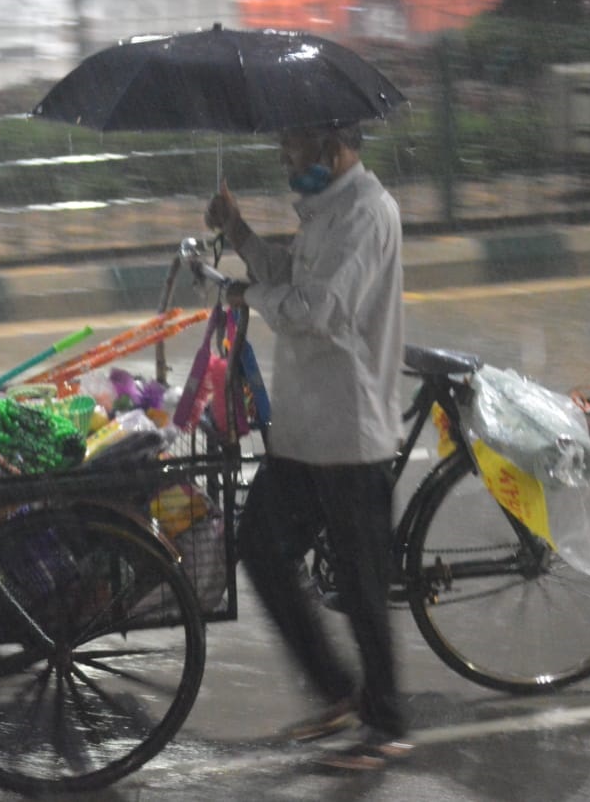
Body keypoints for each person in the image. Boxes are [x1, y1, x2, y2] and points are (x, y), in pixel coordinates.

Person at [204, 122, 412, 771]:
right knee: (260, 550)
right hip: (303, 432)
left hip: (349, 433)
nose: (286, 158)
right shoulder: (325, 211)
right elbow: (289, 275)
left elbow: (317, 308)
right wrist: (237, 235)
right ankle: (337, 690)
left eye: (294, 146)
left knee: (361, 586)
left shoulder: (369, 214)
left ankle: (386, 723)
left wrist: (246, 294)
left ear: (333, 144)